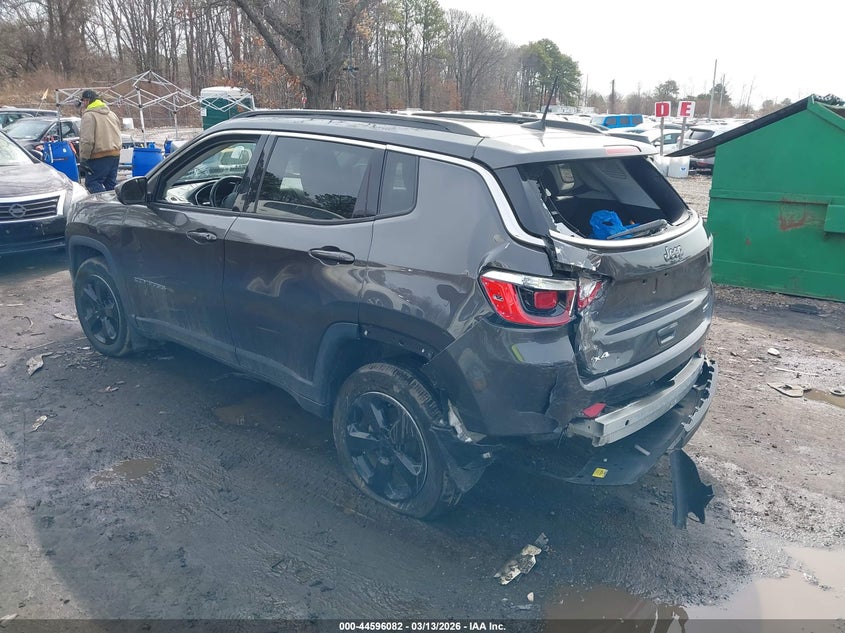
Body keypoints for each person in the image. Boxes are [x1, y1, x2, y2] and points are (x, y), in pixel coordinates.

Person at [77, 89, 122, 193]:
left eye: (83, 101)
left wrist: (84, 159)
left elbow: (87, 140)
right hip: (115, 154)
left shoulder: (89, 116)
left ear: (88, 101)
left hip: (99, 156)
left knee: (92, 183)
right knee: (110, 185)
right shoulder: (111, 114)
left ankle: (103, 207)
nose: (82, 104)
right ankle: (116, 207)